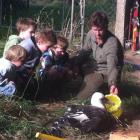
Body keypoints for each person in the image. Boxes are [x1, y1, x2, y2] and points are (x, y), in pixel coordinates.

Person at [76, 11, 124, 99]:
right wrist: (74, 64)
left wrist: (113, 84)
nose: (97, 33)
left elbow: (113, 66)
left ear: (106, 27)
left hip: (106, 72)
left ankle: (104, 86)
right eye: (95, 29)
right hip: (95, 66)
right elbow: (85, 52)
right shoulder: (91, 34)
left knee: (81, 98)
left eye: (100, 30)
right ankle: (87, 81)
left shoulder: (112, 42)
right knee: (75, 62)